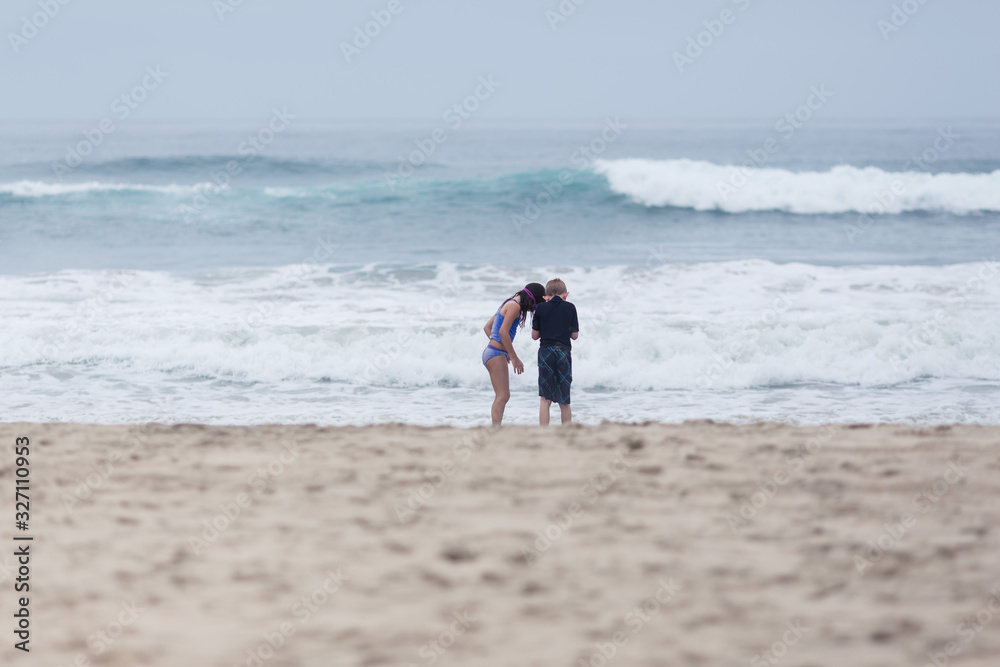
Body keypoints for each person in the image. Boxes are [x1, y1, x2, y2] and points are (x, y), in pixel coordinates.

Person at [482, 283, 547, 425]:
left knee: (501, 395)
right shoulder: (515, 307)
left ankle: (495, 428)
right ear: (531, 299)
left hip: (491, 352)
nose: (532, 309)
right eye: (534, 305)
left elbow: (487, 327)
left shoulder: (508, 303)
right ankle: (495, 429)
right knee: (503, 396)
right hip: (495, 353)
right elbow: (502, 332)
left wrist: (501, 349)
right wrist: (513, 357)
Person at [531, 278, 579, 425]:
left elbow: (534, 336)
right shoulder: (570, 307)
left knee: (545, 399)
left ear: (546, 295)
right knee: (564, 399)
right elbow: (574, 336)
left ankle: (544, 432)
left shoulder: (540, 308)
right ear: (566, 294)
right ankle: (566, 431)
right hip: (563, 352)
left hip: (546, 352)